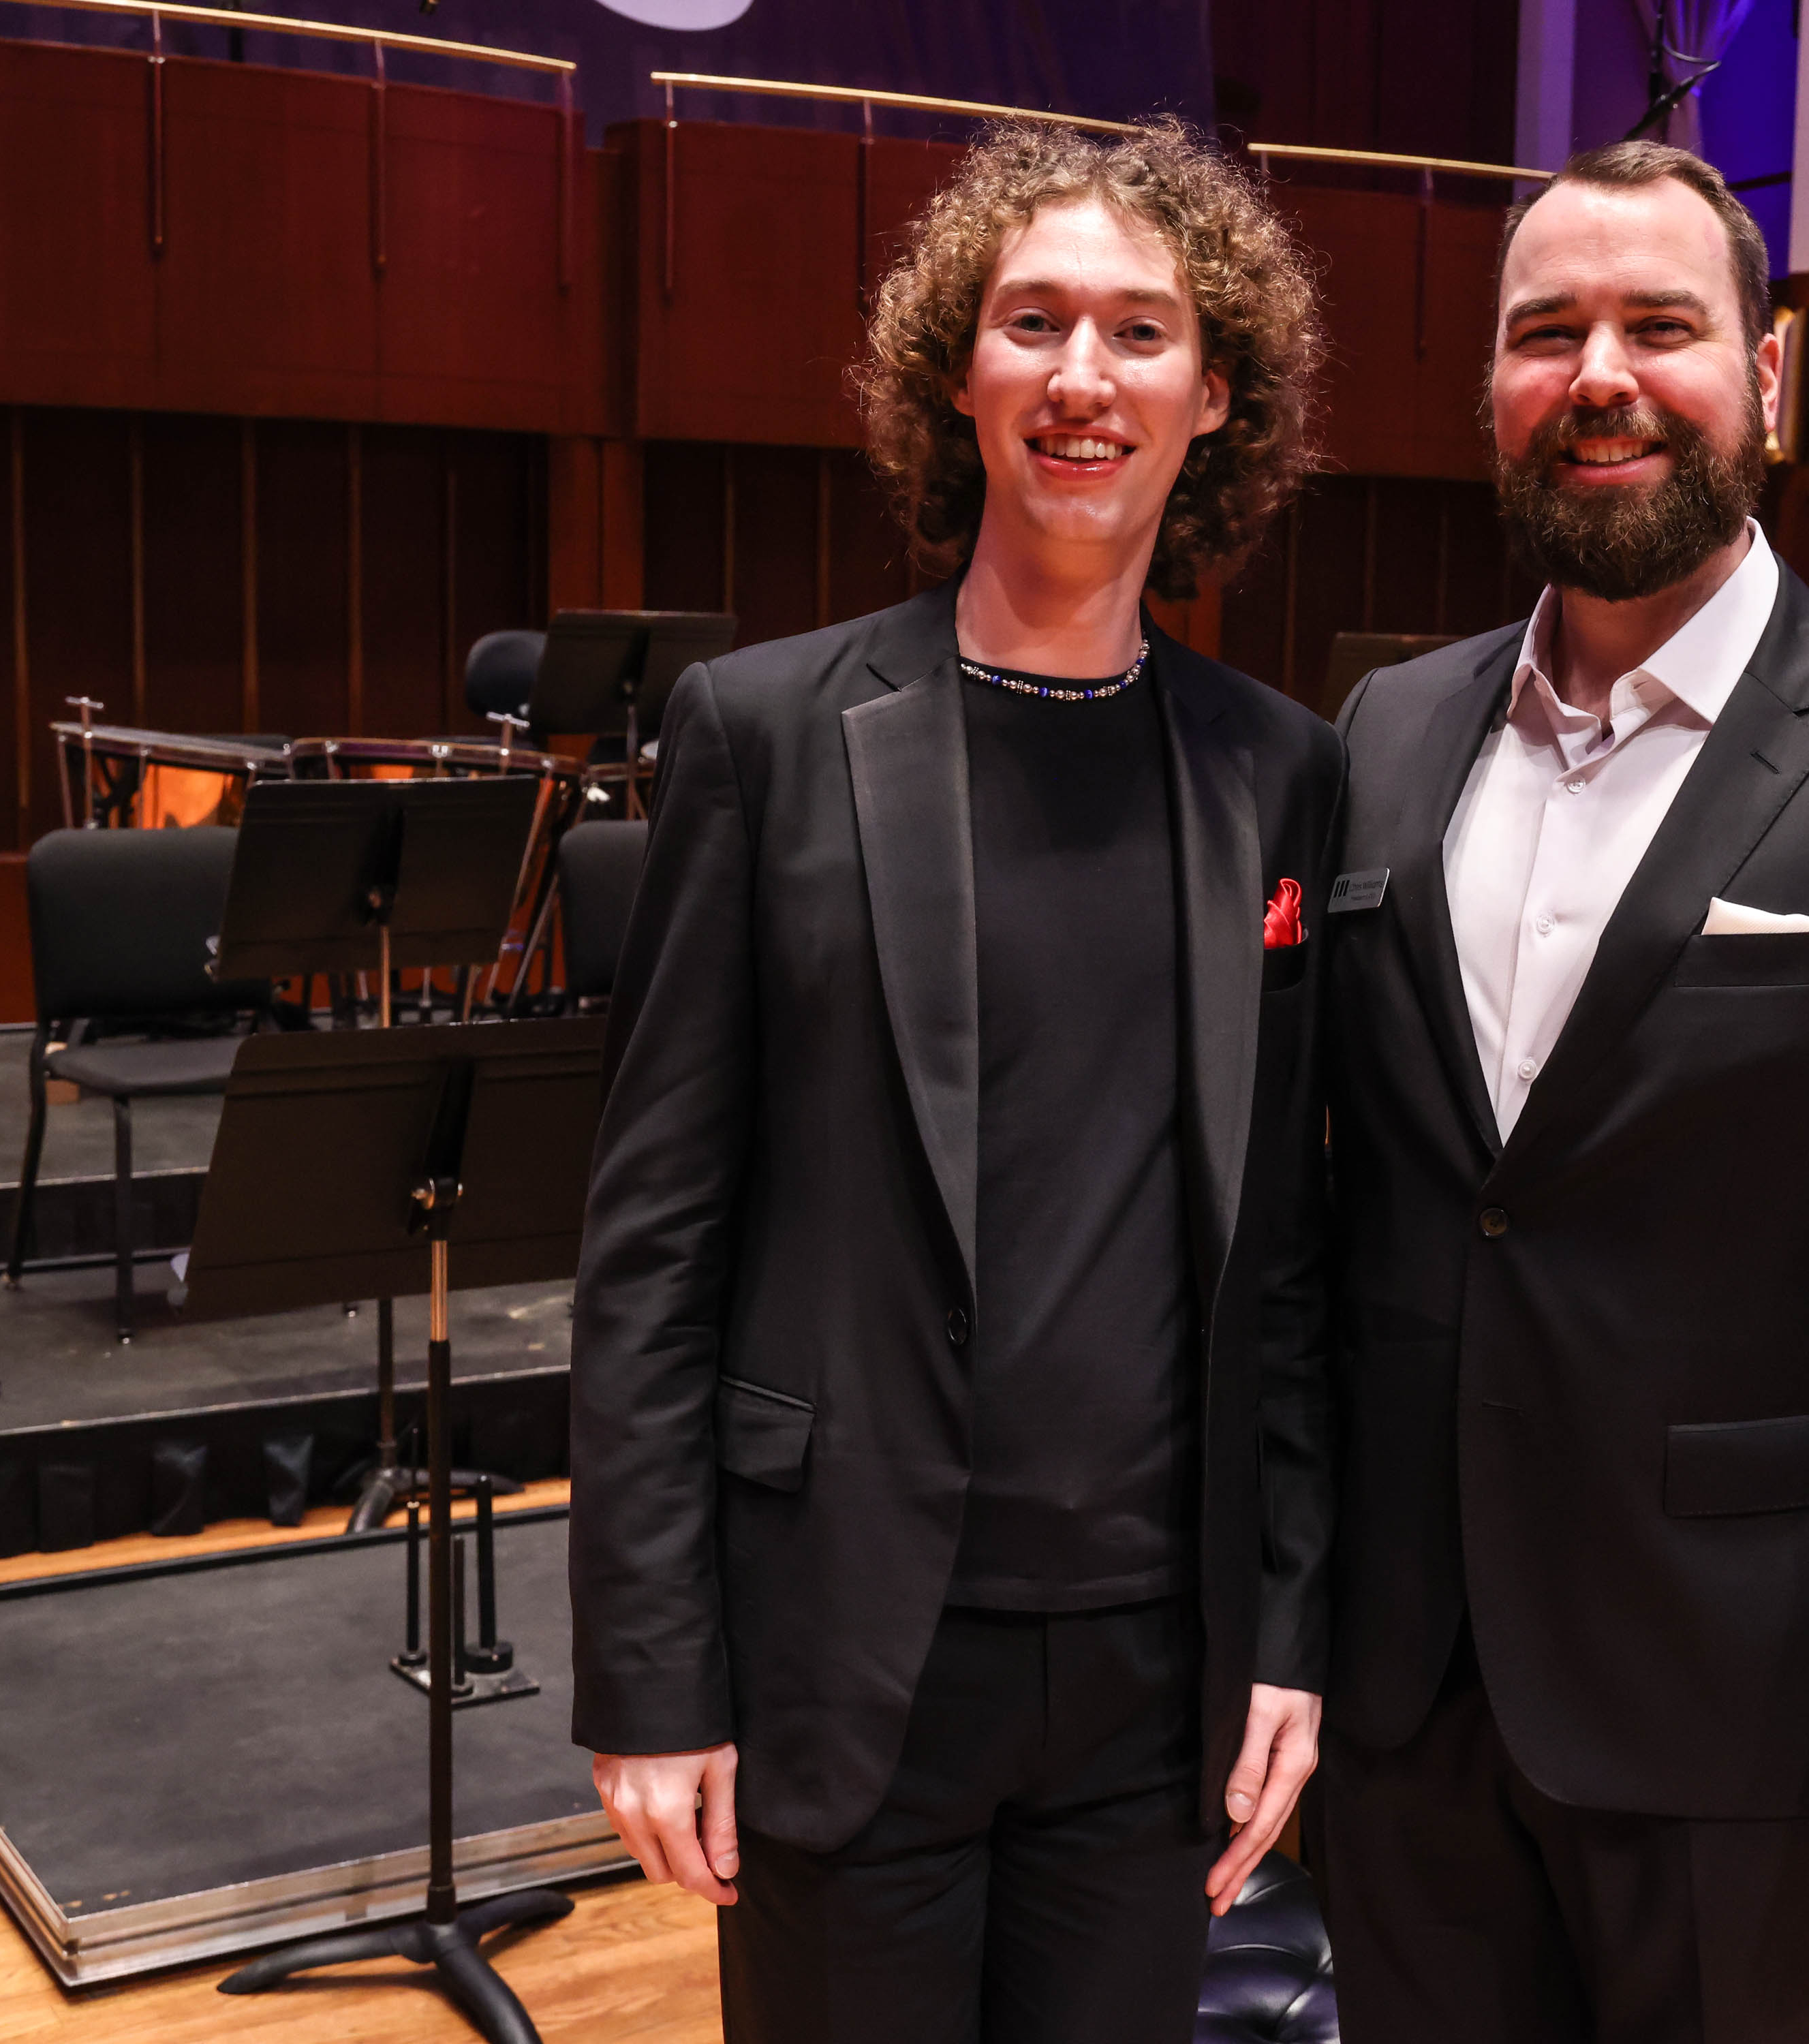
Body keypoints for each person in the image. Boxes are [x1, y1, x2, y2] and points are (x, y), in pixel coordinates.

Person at [1314, 140, 1809, 2043]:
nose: (1598, 376)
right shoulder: (1385, 733)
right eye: (1545, 332)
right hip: (1407, 1690)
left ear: (1764, 373)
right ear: (1493, 386)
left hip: (1748, 1697)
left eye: (1658, 326)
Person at [568, 117, 1339, 2044]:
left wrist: (1288, 1629)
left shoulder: (1278, 771)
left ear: (1214, 396)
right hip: (845, 1645)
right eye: (1034, 321)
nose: (1085, 376)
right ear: (957, 371)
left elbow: (1289, 1262)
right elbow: (653, 1245)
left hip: (1157, 1680)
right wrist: (653, 1671)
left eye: (1141, 331)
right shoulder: (765, 732)